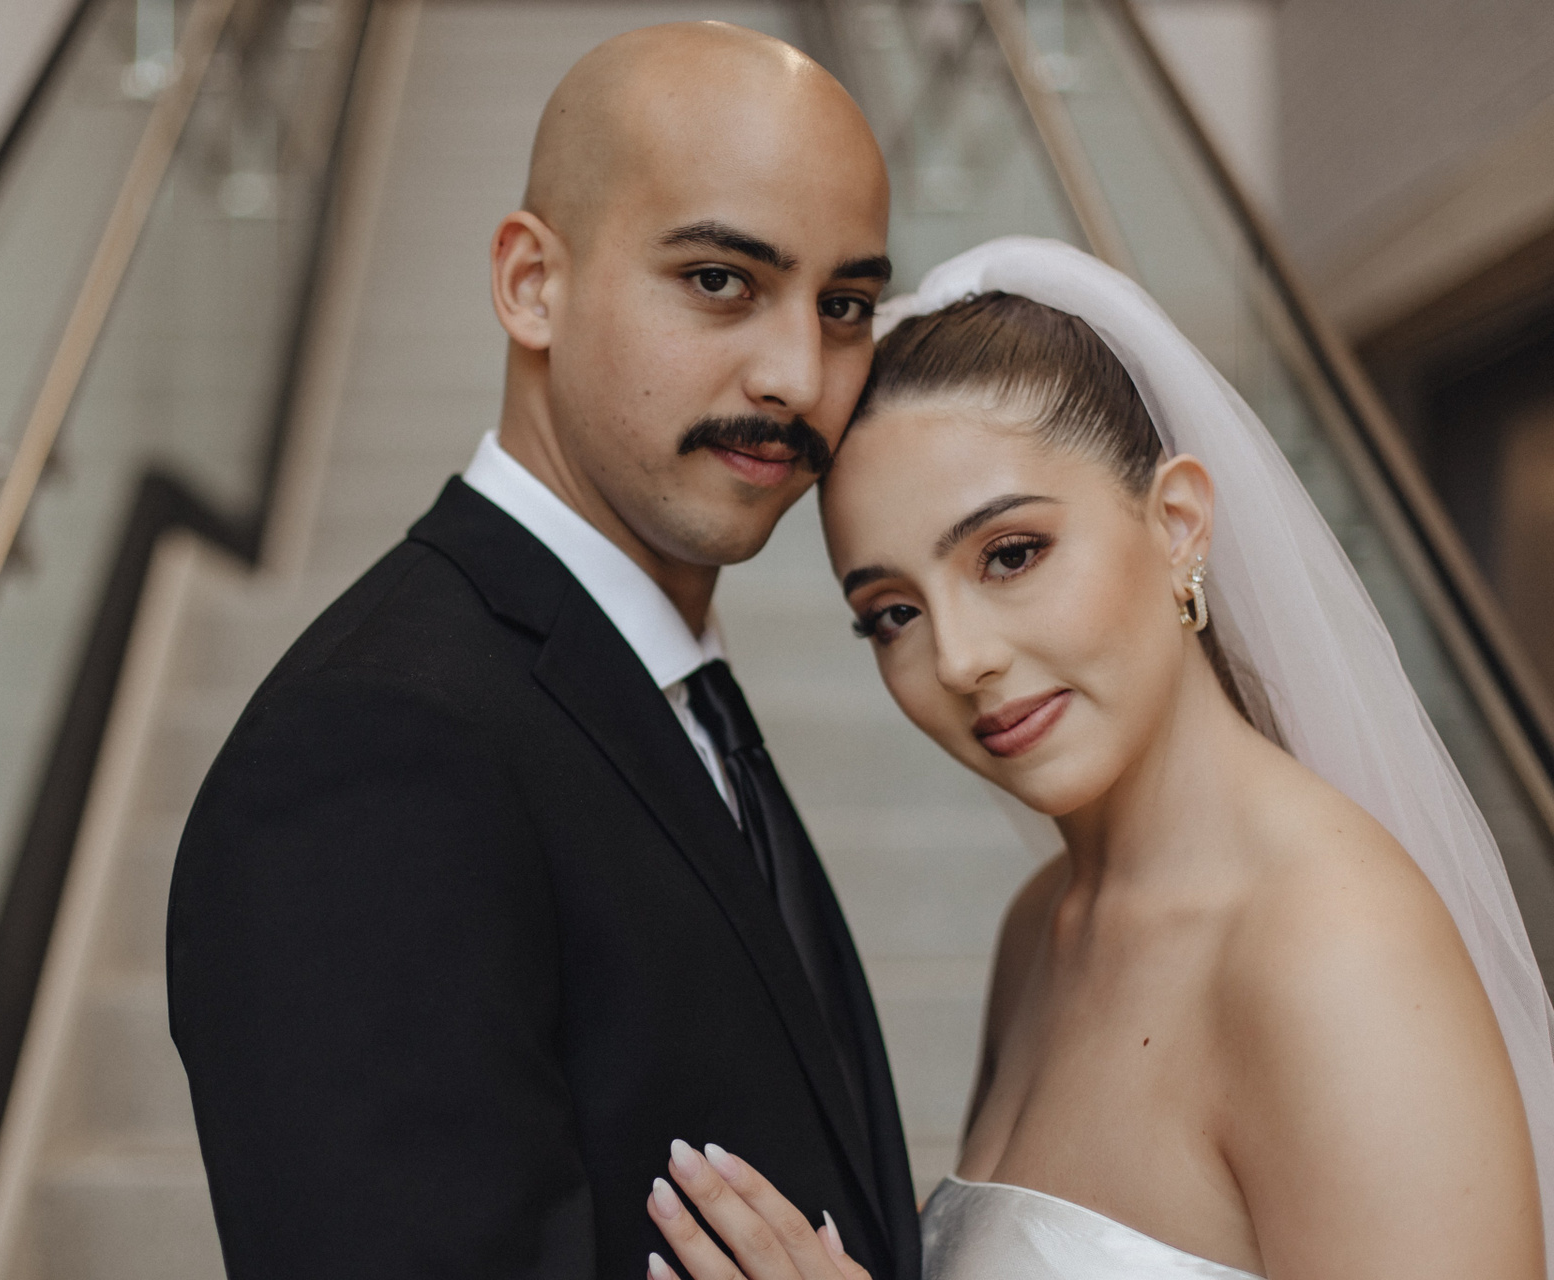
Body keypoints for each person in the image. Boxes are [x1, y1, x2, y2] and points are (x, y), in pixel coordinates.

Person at [167, 21, 925, 1278]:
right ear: (531, 283)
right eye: (721, 280)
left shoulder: (672, 692)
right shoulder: (378, 743)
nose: (800, 374)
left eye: (845, 305)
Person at [641, 238, 1554, 1280]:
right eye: (891, 613)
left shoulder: (1334, 948)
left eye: (1011, 554)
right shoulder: (1044, 927)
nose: (960, 658)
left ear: (1178, 524)